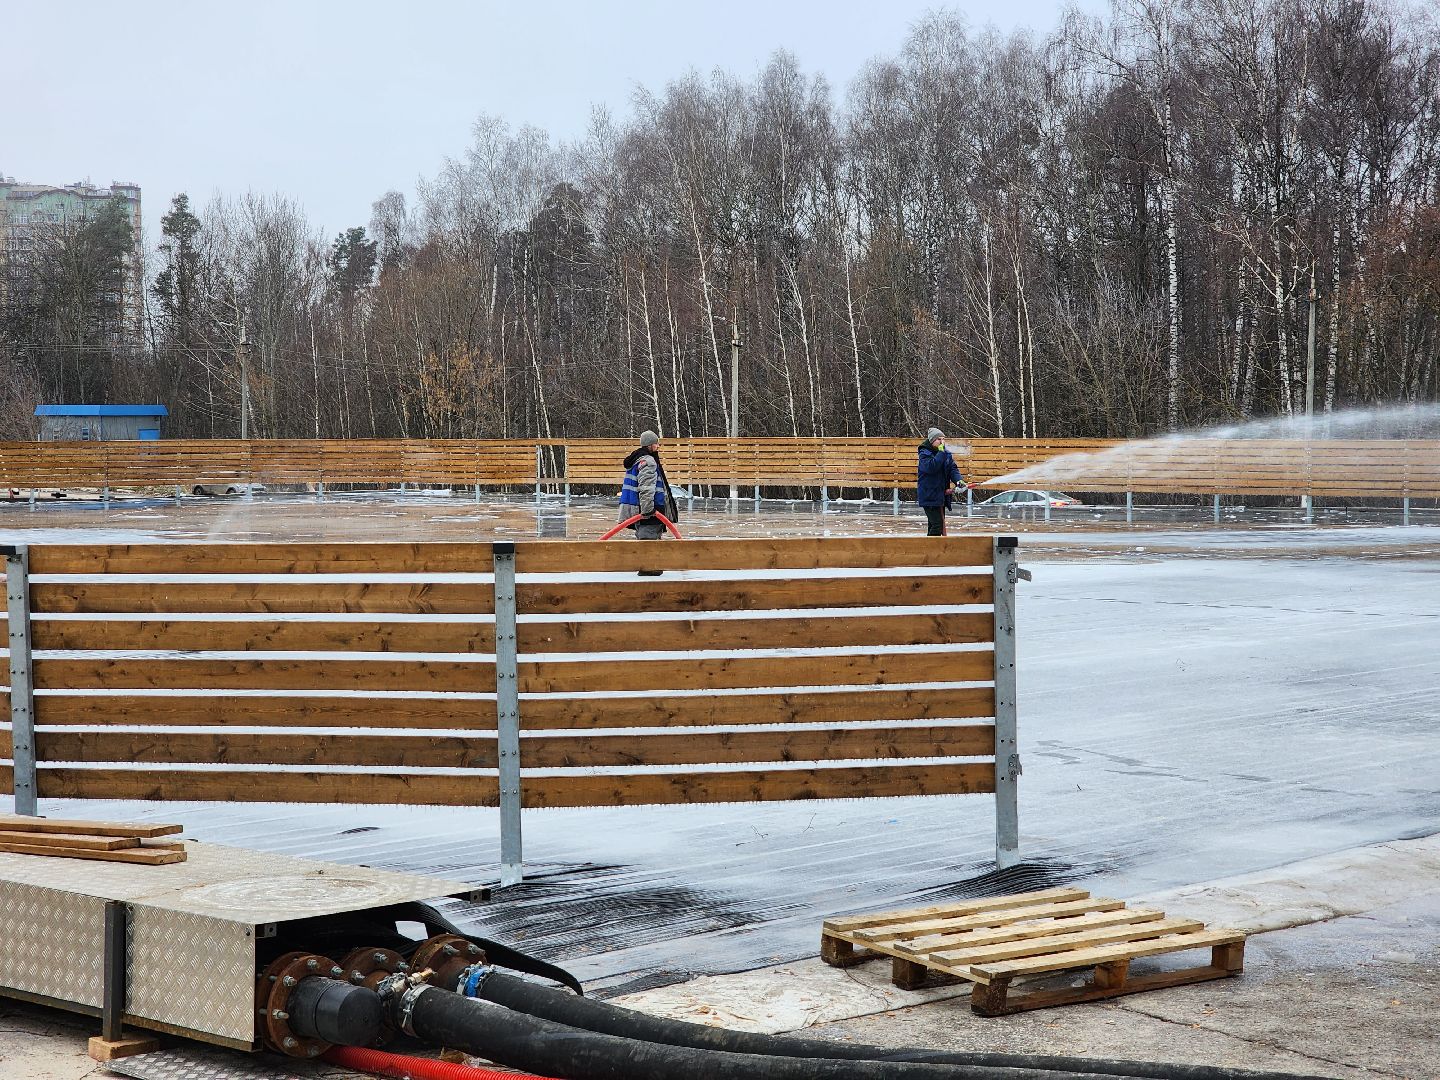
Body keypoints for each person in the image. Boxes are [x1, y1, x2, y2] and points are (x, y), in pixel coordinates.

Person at [618, 430, 674, 542]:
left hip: (641, 509)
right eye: (656, 443)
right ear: (650, 445)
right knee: (649, 545)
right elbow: (646, 487)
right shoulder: (648, 462)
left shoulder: (637, 460)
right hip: (650, 512)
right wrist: (648, 509)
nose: (658, 446)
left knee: (646, 544)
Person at [917, 427, 963, 536]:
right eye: (939, 439)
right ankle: (933, 549)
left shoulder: (945, 454)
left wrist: (958, 480)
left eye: (943, 439)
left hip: (940, 495)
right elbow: (931, 467)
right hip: (929, 495)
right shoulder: (924, 453)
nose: (942, 442)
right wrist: (941, 453)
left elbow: (953, 469)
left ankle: (930, 549)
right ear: (932, 441)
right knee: (937, 525)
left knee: (935, 525)